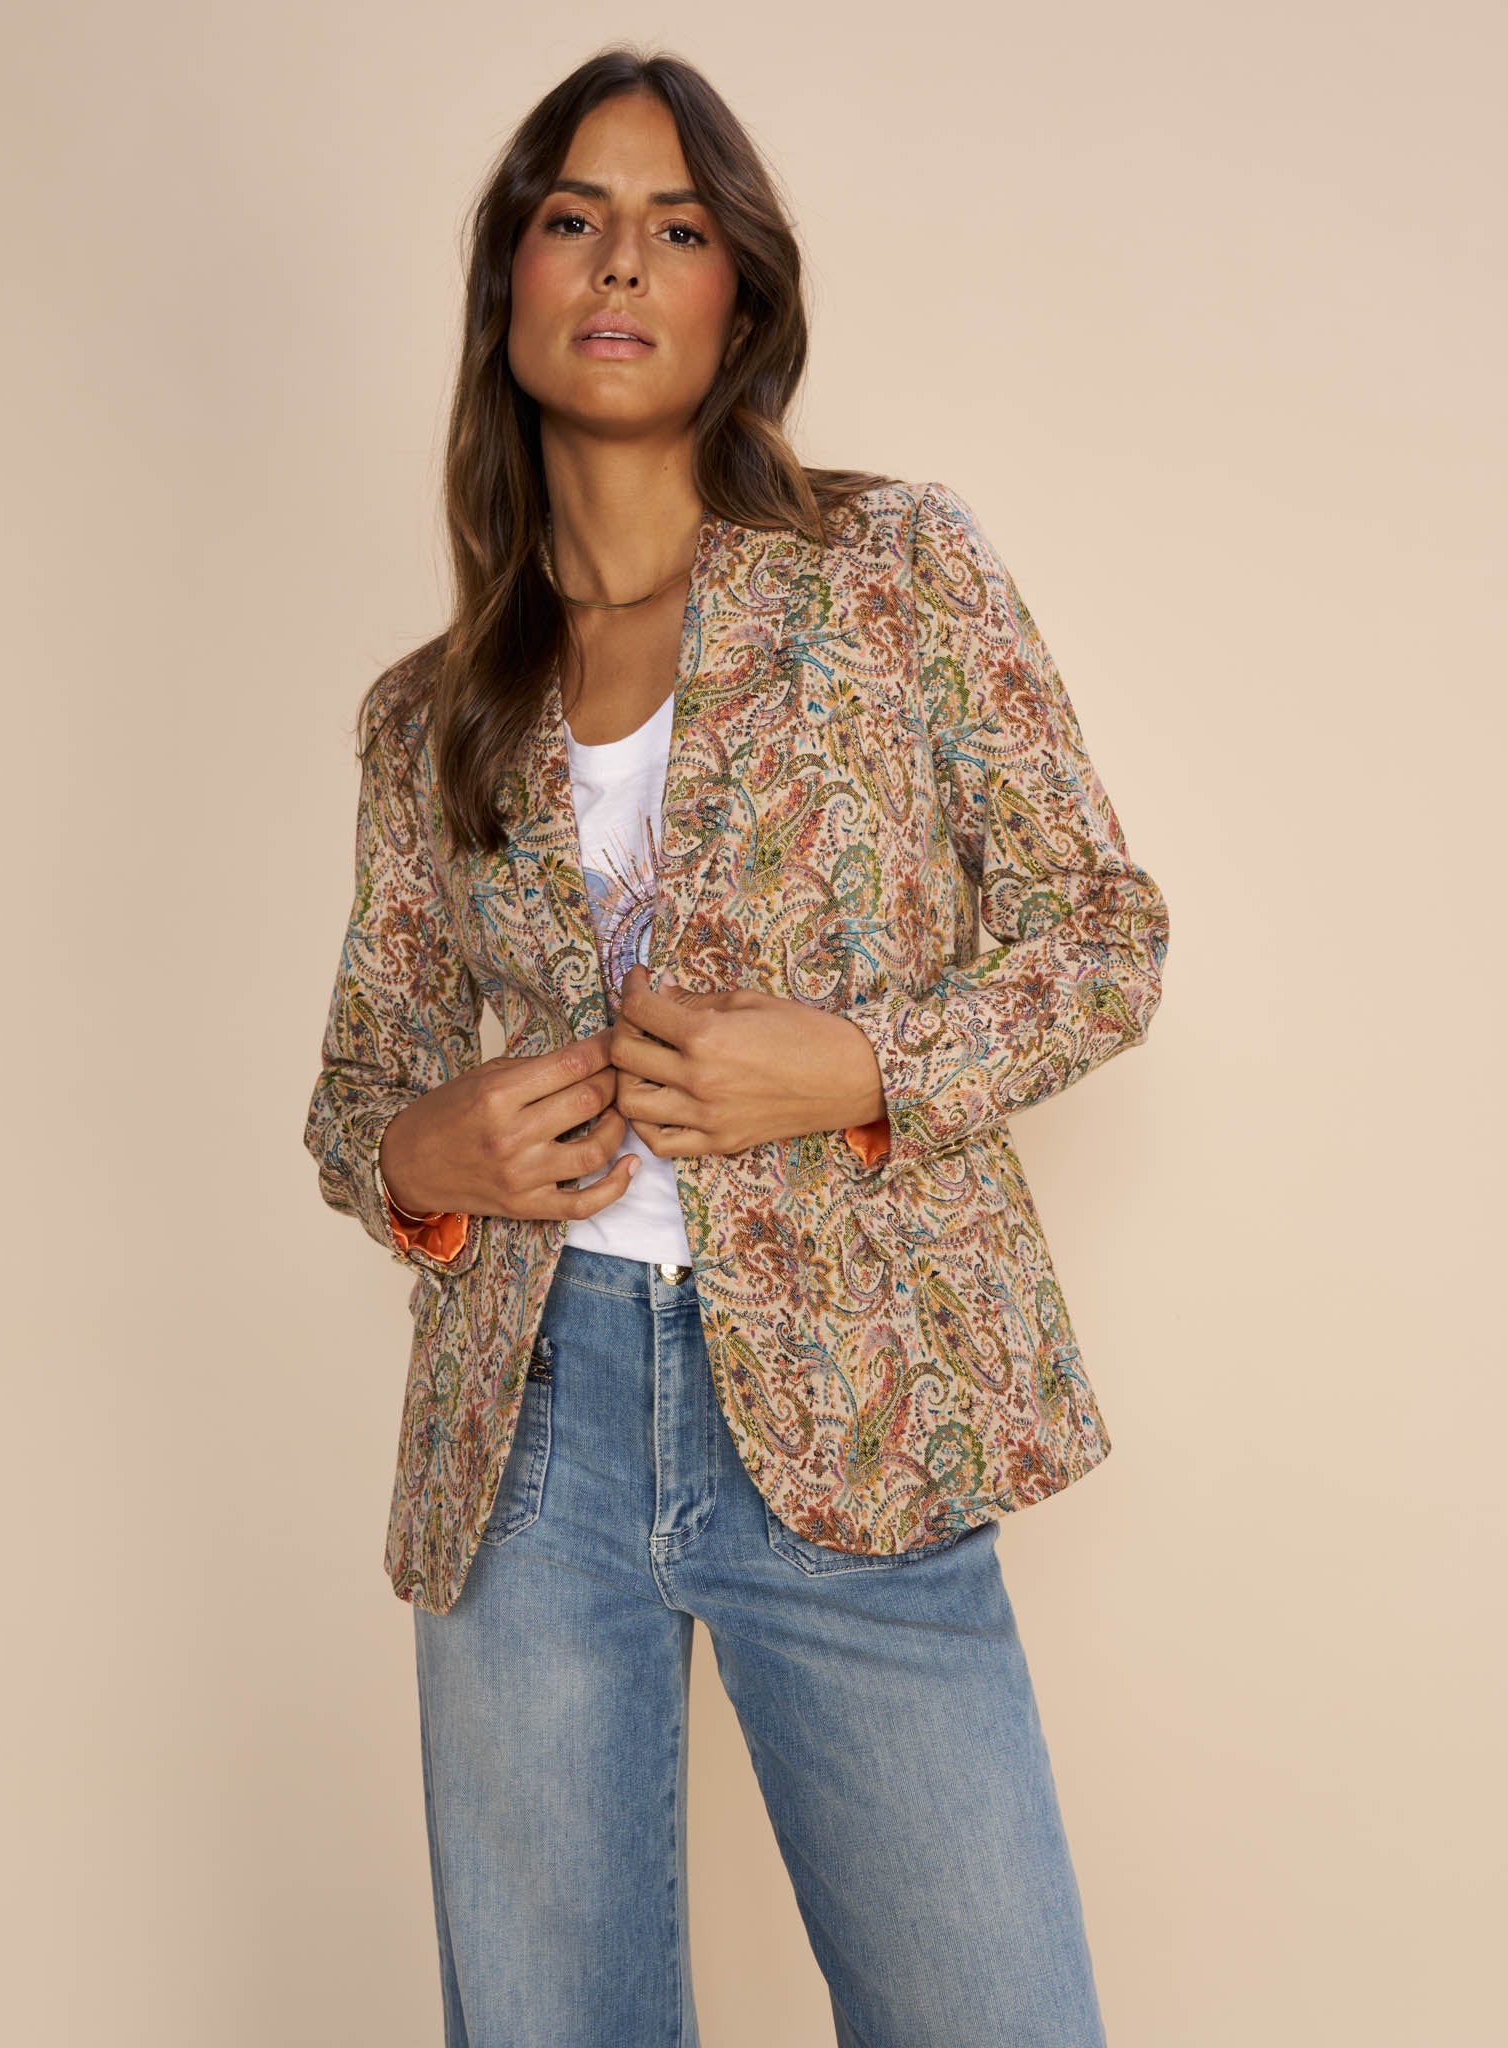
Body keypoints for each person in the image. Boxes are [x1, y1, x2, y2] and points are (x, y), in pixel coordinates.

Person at [302, 45, 1170, 2048]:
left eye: (676, 227)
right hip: (531, 1432)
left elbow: (1106, 938)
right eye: (574, 218)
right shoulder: (431, 710)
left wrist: (858, 1066)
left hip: (854, 1404)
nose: (622, 262)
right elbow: (361, 1089)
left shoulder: (892, 572)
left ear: (737, 298)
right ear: (512, 284)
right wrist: (422, 1156)